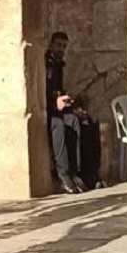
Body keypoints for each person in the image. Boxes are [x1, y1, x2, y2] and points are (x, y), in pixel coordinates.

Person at [45, 31, 88, 194]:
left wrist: (70, 104)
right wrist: (54, 103)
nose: (61, 49)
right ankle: (62, 173)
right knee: (57, 124)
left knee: (75, 121)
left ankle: (74, 172)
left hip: (57, 108)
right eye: (58, 45)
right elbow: (40, 93)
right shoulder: (44, 63)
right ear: (51, 44)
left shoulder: (58, 65)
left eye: (64, 46)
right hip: (47, 111)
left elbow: (58, 91)